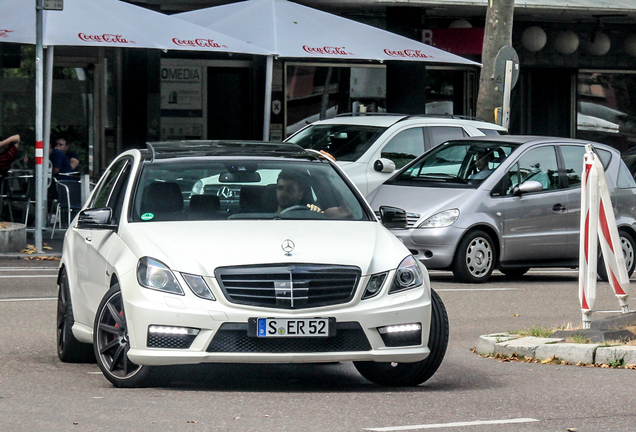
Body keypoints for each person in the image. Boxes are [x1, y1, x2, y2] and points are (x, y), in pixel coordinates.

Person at [275, 169, 352, 219]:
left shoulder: (312, 214)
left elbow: (345, 211)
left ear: (300, 194)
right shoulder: (265, 215)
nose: (284, 193)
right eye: (280, 188)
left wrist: (334, 174)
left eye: (290, 189)